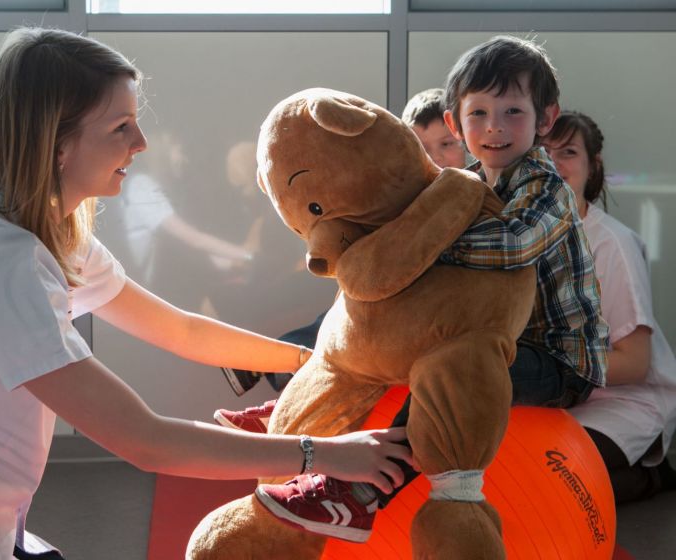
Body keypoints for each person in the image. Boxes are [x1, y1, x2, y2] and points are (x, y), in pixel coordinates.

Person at [0, 27, 413, 560]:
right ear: (56, 144)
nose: (140, 143)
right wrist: (322, 453)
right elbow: (145, 441)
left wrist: (318, 368)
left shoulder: (47, 231)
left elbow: (181, 330)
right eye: (120, 127)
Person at [253, 35, 609, 543]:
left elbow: (513, 245)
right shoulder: (463, 182)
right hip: (488, 338)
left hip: (555, 360)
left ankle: (359, 492)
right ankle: (299, 413)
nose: (494, 127)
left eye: (513, 112)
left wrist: (420, 245)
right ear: (454, 124)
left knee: (443, 378)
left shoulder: (545, 187)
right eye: (479, 112)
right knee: (372, 335)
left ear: (544, 120)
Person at [215, 87, 468, 407]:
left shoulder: (469, 192)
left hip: (434, 316)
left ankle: (280, 371)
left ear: (465, 142)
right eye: (423, 147)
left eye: (446, 145)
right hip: (389, 308)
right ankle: (280, 377)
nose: (436, 157)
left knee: (352, 321)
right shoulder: (402, 202)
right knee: (344, 309)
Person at [542, 110, 676, 504]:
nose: (552, 164)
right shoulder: (522, 238)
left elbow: (634, 363)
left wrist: (544, 371)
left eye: (567, 152)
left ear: (592, 166)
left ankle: (650, 478)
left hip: (623, 400)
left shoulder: (611, 243)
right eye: (542, 152)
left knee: (553, 484)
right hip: (559, 401)